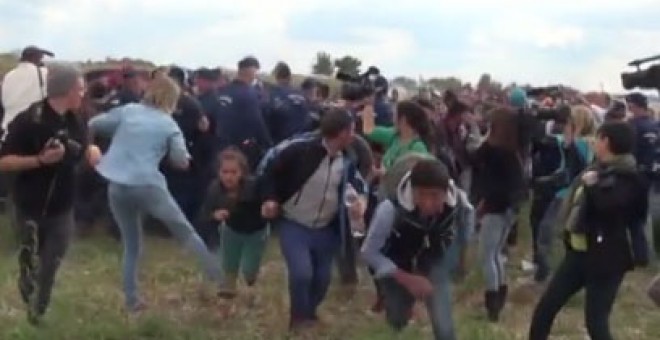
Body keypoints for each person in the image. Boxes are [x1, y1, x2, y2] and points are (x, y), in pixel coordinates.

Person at [88, 75, 221, 312]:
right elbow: (180, 161)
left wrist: (93, 146)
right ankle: (218, 277)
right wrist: (183, 158)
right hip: (147, 184)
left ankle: (131, 300)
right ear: (172, 99)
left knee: (132, 244)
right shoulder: (169, 125)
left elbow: (94, 124)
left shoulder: (128, 111)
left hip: (116, 184)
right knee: (185, 232)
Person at [529, 122, 649, 340]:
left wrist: (593, 186)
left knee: (595, 322)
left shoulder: (630, 177)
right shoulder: (596, 169)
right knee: (545, 308)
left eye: (598, 138)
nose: (595, 142)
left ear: (607, 142)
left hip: (608, 259)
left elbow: (611, 207)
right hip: (578, 254)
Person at [0, 63, 92, 324]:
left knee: (53, 259)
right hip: (29, 202)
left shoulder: (77, 118)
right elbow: (4, 162)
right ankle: (26, 277)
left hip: (62, 204)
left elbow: (85, 145)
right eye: (80, 88)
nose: (83, 94)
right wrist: (40, 160)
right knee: (31, 256)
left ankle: (38, 311)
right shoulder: (30, 120)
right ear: (66, 90)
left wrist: (90, 151)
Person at [258, 107, 366, 330]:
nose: (354, 135)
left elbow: (357, 184)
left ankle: (308, 314)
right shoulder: (299, 149)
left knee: (322, 280)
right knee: (301, 273)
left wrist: (360, 202)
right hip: (295, 223)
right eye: (352, 130)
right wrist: (269, 199)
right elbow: (268, 171)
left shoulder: (348, 158)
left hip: (327, 228)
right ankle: (298, 321)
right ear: (342, 133)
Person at [362, 158, 473, 340]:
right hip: (396, 260)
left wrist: (461, 254)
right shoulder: (389, 209)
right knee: (397, 318)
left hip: (434, 258)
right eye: (421, 194)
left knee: (444, 325)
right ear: (412, 191)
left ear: (446, 193)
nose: (428, 203)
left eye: (435, 196)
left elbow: (468, 215)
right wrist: (408, 279)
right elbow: (369, 252)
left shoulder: (458, 200)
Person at [471, 107, 524, 322]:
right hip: (508, 209)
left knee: (486, 255)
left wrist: (484, 204)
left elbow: (474, 158)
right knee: (495, 254)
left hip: (496, 208)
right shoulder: (512, 152)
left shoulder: (495, 152)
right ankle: (499, 296)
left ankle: (493, 302)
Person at [198, 147, 268, 299]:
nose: (229, 177)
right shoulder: (215, 189)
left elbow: (268, 202)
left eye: (233, 172)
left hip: (256, 231)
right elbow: (204, 213)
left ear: (242, 172)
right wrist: (214, 215)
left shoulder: (254, 186)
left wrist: (267, 209)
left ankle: (251, 279)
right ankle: (228, 289)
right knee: (229, 262)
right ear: (218, 172)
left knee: (249, 269)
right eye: (225, 172)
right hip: (231, 230)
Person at [216, 56, 272, 170]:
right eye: (256, 72)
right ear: (251, 71)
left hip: (219, 146)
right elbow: (256, 121)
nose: (255, 76)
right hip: (239, 149)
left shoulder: (222, 91)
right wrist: (268, 144)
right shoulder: (248, 93)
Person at [1, 46, 53, 135]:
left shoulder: (9, 75)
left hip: (6, 127)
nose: (41, 61)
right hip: (29, 128)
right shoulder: (42, 73)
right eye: (40, 58)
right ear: (33, 58)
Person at [266, 62, 312, 144]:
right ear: (289, 77)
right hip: (301, 143)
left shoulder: (273, 94)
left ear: (276, 77)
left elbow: (267, 119)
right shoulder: (301, 95)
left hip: (281, 144)